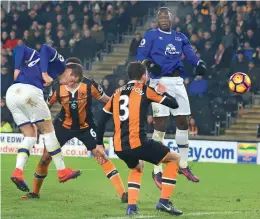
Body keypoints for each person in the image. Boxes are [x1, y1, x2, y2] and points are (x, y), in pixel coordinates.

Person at [21, 57, 128, 201]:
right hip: (63, 126)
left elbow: (107, 101)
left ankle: (123, 194)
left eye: (64, 72)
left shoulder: (90, 85)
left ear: (72, 75)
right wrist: (37, 125)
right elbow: (46, 108)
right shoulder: (58, 88)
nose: (61, 75)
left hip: (86, 127)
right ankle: (35, 192)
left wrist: (123, 110)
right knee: (46, 158)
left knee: (101, 156)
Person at [96, 62, 182, 216]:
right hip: (139, 142)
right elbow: (174, 105)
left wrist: (99, 144)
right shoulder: (145, 90)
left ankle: (132, 207)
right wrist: (164, 92)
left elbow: (101, 120)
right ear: (144, 76)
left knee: (137, 167)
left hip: (120, 147)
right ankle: (164, 202)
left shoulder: (117, 93)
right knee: (174, 158)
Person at [137, 7, 206, 187]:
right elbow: (140, 57)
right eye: (160, 16)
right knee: (161, 125)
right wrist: (150, 65)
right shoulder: (150, 36)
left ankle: (183, 165)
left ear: (172, 18)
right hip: (159, 83)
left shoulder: (180, 37)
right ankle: (157, 170)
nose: (163, 19)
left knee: (183, 122)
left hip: (177, 82)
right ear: (157, 19)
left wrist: (199, 63)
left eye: (166, 16)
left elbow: (190, 55)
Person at [5, 45, 81, 193]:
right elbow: (46, 48)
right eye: (73, 79)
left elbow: (19, 48)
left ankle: (18, 171)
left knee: (30, 134)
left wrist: (17, 70)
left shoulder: (33, 56)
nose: (69, 84)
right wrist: (45, 73)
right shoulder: (61, 64)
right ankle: (62, 170)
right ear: (70, 71)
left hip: (12, 93)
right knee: (49, 130)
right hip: (29, 91)